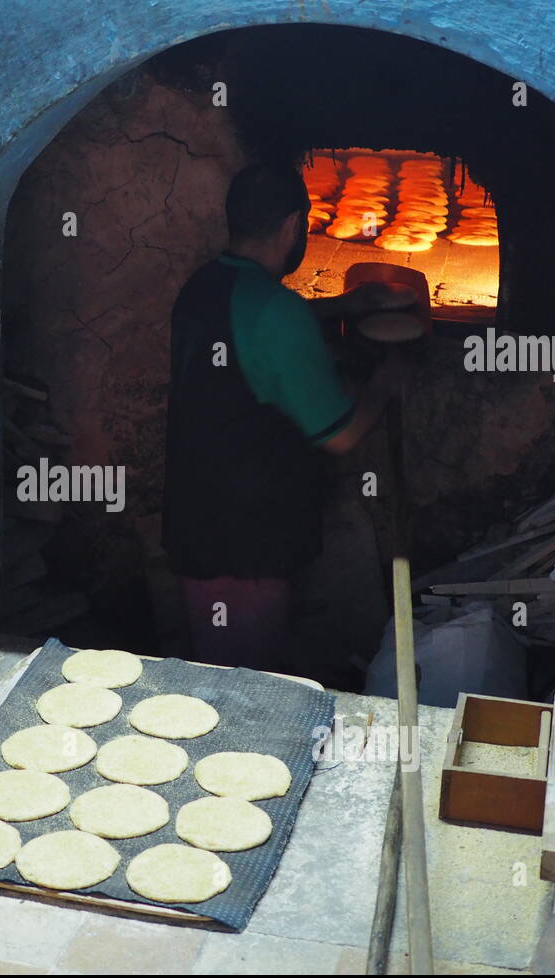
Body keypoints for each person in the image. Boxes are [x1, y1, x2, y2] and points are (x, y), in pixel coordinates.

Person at [162, 163, 404, 672]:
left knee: (213, 657)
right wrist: (384, 385)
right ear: (295, 224)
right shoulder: (278, 313)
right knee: (244, 681)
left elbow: (252, 324)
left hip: (195, 517)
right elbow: (340, 435)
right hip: (246, 541)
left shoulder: (204, 285)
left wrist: (340, 304)